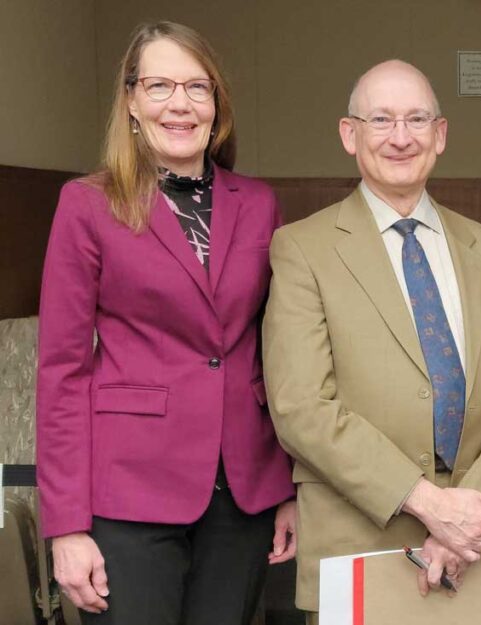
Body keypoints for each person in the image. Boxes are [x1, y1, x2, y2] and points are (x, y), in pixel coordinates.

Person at [261, 59, 481, 623]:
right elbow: (300, 406)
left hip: (477, 548)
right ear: (350, 134)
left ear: (440, 135)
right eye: (381, 119)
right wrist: (431, 505)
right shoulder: (303, 249)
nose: (400, 137)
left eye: (417, 119)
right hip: (358, 539)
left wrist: (469, 520)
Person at [35, 21, 297, 624]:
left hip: (243, 493)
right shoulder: (88, 204)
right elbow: (62, 373)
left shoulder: (258, 203)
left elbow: (274, 353)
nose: (179, 104)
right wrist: (66, 526)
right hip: (128, 495)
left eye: (196, 87)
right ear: (130, 100)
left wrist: (287, 487)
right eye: (158, 86)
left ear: (216, 105)